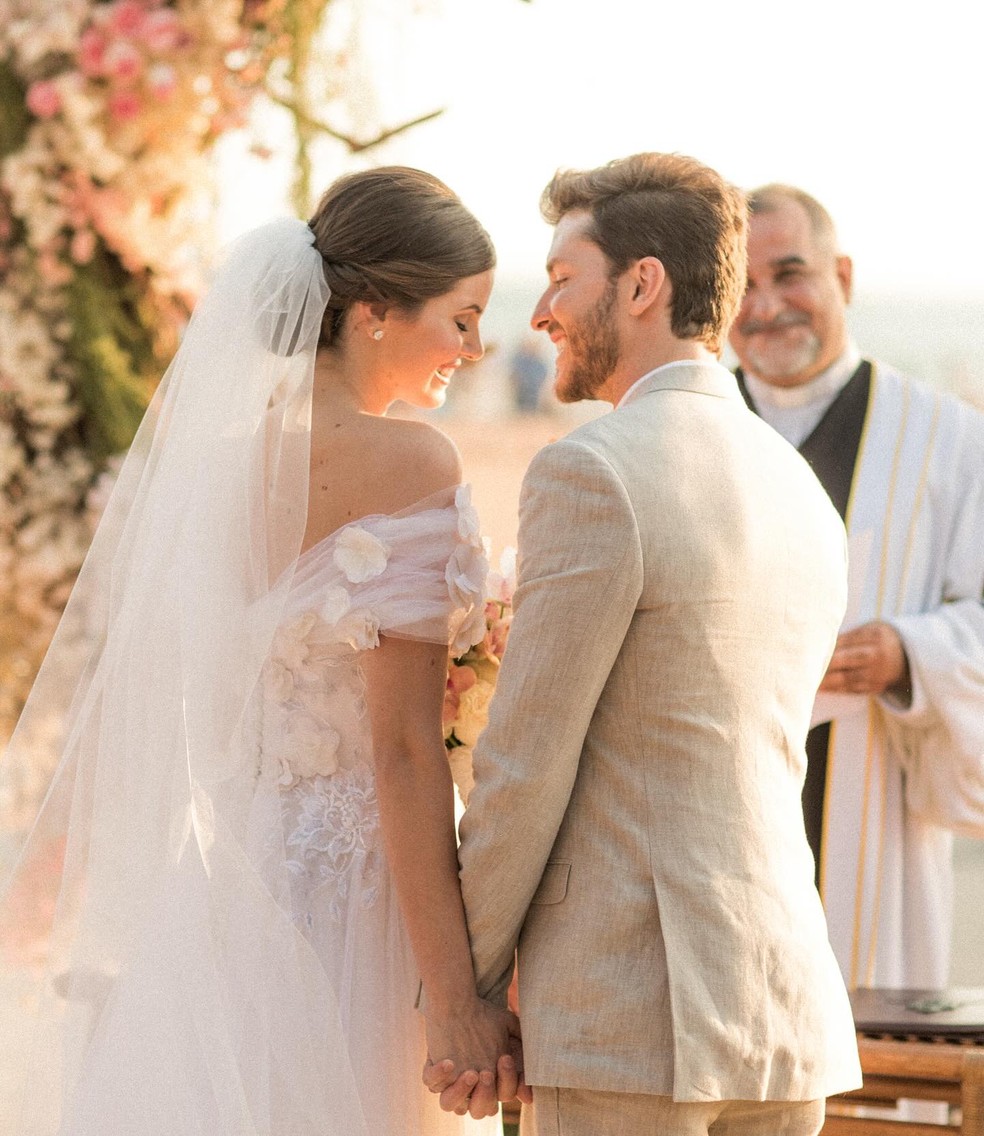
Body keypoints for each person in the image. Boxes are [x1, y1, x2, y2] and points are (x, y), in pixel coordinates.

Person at [0, 167, 520, 1134]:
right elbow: (402, 757)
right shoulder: (413, 462)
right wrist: (454, 998)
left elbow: (137, 690)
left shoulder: (219, 461)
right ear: (373, 311)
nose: (477, 348)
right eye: (462, 317)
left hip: (231, 881)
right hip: (367, 893)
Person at [426, 153, 861, 1135]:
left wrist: (467, 987)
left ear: (641, 283)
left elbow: (526, 761)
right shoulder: (802, 490)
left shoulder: (592, 472)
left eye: (561, 278)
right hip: (783, 1010)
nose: (541, 312)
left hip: (629, 1016)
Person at [729, 184, 984, 990]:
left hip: (875, 814)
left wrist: (910, 653)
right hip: (710, 815)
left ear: (842, 274)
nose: (765, 306)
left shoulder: (946, 436)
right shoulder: (691, 432)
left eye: (789, 274)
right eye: (740, 284)